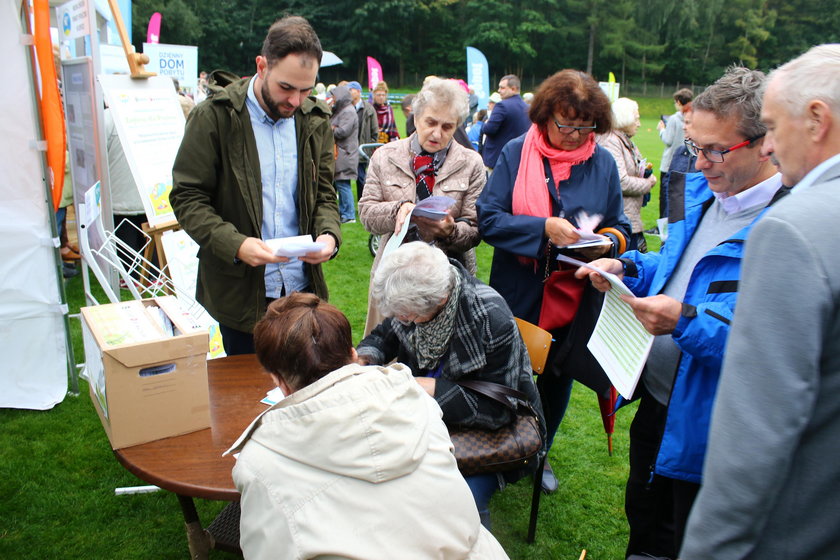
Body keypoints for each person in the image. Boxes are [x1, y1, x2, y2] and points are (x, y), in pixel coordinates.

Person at [575, 66, 787, 559]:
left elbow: (764, 332)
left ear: (765, 143)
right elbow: (674, 266)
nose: (702, 162)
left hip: (713, 426)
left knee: (686, 538)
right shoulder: (703, 193)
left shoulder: (785, 223)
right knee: (643, 524)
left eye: (716, 149)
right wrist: (626, 265)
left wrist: (684, 320)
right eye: (696, 147)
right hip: (656, 403)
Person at [680, 44, 840, 560]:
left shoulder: (794, 227)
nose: (769, 146)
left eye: (772, 127)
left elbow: (759, 426)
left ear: (816, 119)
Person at [227, 292, 510, 559]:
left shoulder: (258, 462)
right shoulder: (415, 399)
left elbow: (266, 551)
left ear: (280, 382)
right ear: (353, 355)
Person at [476, 69, 631, 495]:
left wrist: (608, 244)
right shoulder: (514, 152)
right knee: (505, 376)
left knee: (557, 378)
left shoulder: (602, 162)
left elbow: (622, 227)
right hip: (518, 292)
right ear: (544, 116)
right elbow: (488, 220)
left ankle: (539, 453)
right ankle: (498, 453)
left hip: (573, 296)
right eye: (565, 125)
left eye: (584, 127)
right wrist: (543, 228)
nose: (574, 135)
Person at [170, 16, 341, 356]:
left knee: (302, 394)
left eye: (306, 89)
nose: (295, 101)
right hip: (241, 292)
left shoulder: (315, 119)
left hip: (301, 287)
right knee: (246, 398)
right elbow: (188, 197)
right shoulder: (216, 117)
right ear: (261, 66)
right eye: (286, 87)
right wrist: (236, 245)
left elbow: (323, 193)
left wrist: (329, 236)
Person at [356, 242, 544, 530]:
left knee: (458, 502)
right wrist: (365, 359)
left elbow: (499, 411)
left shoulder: (489, 317)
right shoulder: (418, 298)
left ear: (439, 301)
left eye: (408, 316)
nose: (403, 321)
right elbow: (385, 334)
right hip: (428, 415)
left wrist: (432, 388)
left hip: (490, 430)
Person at [359, 78, 486, 335]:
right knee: (387, 359)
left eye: (447, 126)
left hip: (448, 284)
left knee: (440, 367)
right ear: (416, 117)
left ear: (457, 126)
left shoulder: (471, 163)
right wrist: (399, 210)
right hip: (393, 279)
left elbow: (475, 228)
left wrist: (450, 231)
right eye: (431, 122)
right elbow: (367, 213)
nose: (437, 133)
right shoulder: (385, 156)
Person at [597, 97, 657, 252]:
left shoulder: (624, 140)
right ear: (625, 119)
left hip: (630, 218)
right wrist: (648, 183)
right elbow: (621, 182)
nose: (639, 124)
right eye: (636, 119)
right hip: (620, 222)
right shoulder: (611, 141)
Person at [657, 88, 694, 219]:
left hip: (669, 163)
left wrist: (662, 130)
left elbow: (668, 140)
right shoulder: (693, 117)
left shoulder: (674, 119)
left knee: (665, 197)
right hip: (686, 164)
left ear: (678, 102)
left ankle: (662, 226)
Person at [481, 74, 531, 170]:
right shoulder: (527, 108)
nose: (499, 90)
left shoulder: (502, 106)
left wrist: (484, 124)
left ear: (513, 89)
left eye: (502, 88)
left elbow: (489, 129)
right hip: (520, 159)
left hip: (498, 159)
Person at [328, 85, 359, 223]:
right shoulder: (343, 110)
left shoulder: (348, 112)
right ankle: (344, 213)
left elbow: (343, 131)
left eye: (334, 96)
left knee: (343, 183)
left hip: (345, 153)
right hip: (342, 152)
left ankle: (349, 215)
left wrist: (330, 128)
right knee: (341, 183)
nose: (333, 99)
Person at [348, 80, 378, 199]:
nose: (349, 92)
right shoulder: (346, 108)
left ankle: (363, 200)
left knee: (361, 177)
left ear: (358, 91)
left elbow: (374, 130)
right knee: (343, 179)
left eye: (351, 90)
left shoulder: (368, 109)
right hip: (348, 149)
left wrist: (369, 146)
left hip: (362, 149)